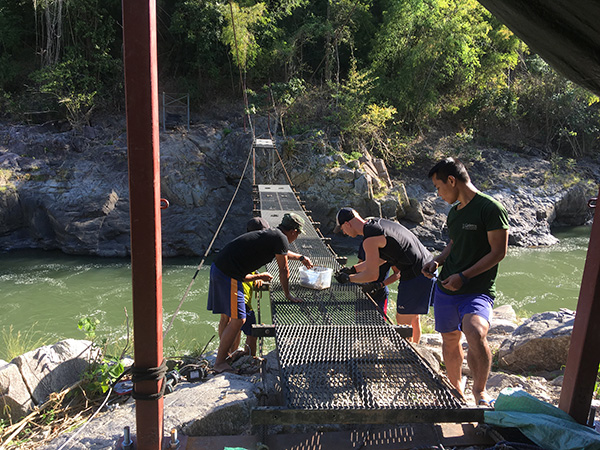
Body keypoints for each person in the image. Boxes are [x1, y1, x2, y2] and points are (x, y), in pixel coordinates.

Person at [422, 157, 509, 407]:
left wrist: (464, 276)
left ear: (452, 180)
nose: (438, 194)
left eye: (438, 187)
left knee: (475, 331)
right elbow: (454, 244)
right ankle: (456, 390)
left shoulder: (490, 208)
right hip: (447, 287)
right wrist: (437, 261)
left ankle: (480, 392)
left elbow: (498, 252)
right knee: (449, 339)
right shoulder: (454, 213)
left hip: (476, 288)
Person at [208, 213, 313, 373]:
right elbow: (284, 270)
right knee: (238, 320)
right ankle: (220, 363)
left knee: (234, 318)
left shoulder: (273, 235)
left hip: (223, 269)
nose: (296, 237)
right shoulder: (280, 238)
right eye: (298, 234)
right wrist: (288, 294)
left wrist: (300, 257)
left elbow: (283, 252)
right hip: (228, 274)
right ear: (293, 231)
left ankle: (224, 358)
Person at [334, 208, 434, 344]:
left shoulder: (369, 239)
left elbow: (372, 275)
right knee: (411, 318)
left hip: (416, 273)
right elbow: (381, 259)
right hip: (428, 265)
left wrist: (348, 279)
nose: (344, 233)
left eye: (342, 229)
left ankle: (408, 358)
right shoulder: (375, 223)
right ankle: (414, 350)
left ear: (347, 224)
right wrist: (352, 269)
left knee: (402, 323)